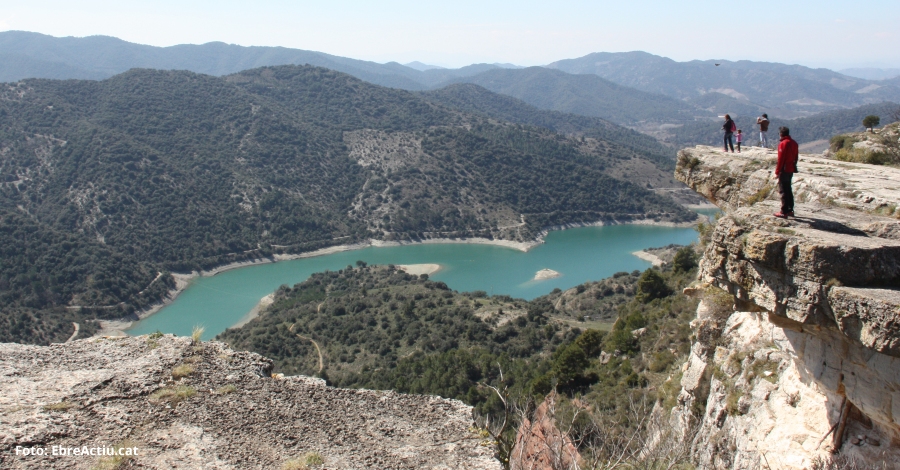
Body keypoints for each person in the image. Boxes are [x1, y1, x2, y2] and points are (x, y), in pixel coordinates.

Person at [773, 126, 798, 218]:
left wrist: (777, 171)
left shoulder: (783, 144)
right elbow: (796, 157)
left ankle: (783, 211)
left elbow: (781, 159)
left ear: (781, 134)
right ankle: (790, 209)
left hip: (784, 169)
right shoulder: (794, 143)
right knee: (788, 190)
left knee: (783, 190)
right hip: (791, 169)